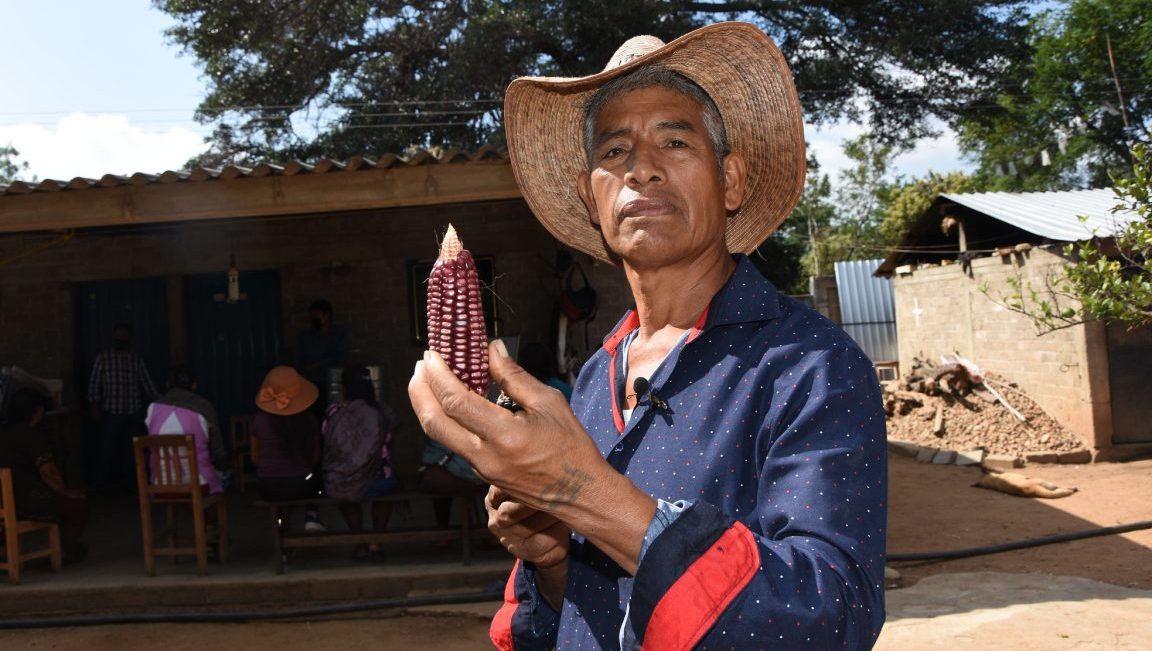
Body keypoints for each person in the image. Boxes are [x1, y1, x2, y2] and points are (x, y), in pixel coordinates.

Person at [409, 23, 887, 650]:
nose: (642, 169)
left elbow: (834, 616)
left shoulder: (811, 367)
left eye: (675, 141)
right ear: (592, 199)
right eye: (613, 153)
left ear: (732, 181)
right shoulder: (590, 381)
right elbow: (578, 618)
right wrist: (551, 561)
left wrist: (580, 490)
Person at [0, 388, 90, 563]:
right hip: (23, 501)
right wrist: (64, 492)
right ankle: (69, 550)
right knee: (76, 503)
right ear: (36, 412)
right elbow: (48, 472)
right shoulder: (31, 435)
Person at [322, 365, 399, 561]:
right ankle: (376, 541)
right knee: (387, 489)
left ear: (343, 388)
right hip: (379, 479)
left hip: (342, 479)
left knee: (345, 497)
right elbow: (389, 441)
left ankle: (359, 539)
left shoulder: (333, 412)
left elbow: (327, 440)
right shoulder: (382, 412)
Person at [252, 365, 326, 532]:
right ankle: (311, 515)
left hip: (268, 486)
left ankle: (283, 530)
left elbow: (255, 459)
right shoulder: (309, 420)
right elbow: (315, 459)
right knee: (318, 480)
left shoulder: (259, 420)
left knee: (280, 496)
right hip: (302, 484)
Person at [87, 323, 159, 489]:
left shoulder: (136, 359)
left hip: (133, 412)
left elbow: (148, 384)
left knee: (132, 452)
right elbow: (94, 384)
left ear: (130, 338)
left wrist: (164, 401)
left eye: (123, 336)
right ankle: (101, 487)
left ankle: (132, 486)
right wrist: (94, 406)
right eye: (117, 336)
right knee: (106, 450)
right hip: (111, 412)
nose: (120, 338)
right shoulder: (104, 358)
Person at [145, 367, 225, 494]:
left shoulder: (153, 408)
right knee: (218, 478)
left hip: (160, 482)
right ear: (194, 386)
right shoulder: (204, 407)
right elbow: (218, 452)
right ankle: (202, 512)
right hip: (198, 484)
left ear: (167, 385)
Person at [294, 299, 350, 412]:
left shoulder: (339, 333)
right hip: (311, 384)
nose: (312, 320)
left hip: (334, 382)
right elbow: (297, 360)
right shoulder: (305, 336)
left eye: (316, 316)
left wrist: (317, 365)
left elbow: (340, 356)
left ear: (327, 315)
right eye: (311, 316)